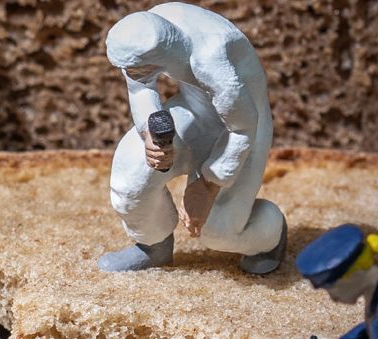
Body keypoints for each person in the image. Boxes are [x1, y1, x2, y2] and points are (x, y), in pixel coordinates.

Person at [99, 3, 286, 274]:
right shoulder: (147, 31)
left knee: (216, 228)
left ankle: (270, 235)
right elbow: (140, 86)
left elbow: (242, 128)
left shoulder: (211, 57)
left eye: (136, 67)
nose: (129, 73)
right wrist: (150, 132)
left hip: (245, 125)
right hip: (194, 109)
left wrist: (208, 186)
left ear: (159, 56)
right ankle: (154, 247)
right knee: (131, 183)